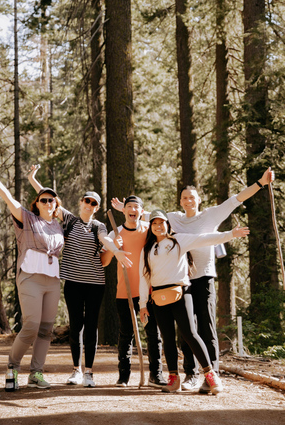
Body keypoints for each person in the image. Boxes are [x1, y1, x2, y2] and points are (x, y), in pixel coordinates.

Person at [111, 165, 275, 391]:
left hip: (203, 277)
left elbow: (235, 200)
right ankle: (190, 374)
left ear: (199, 200)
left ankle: (212, 374)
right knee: (184, 330)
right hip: (181, 282)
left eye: (191, 197)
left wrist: (260, 183)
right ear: (180, 202)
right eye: (184, 198)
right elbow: (149, 216)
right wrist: (125, 209)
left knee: (205, 327)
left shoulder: (211, 214)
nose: (188, 201)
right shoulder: (173, 220)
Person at [25, 165, 127, 388]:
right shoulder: (69, 220)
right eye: (86, 201)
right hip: (73, 282)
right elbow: (47, 198)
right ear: (80, 203)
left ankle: (89, 372)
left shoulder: (98, 226)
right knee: (76, 325)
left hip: (95, 284)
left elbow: (105, 241)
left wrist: (117, 251)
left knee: (91, 326)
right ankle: (76, 370)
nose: (89, 205)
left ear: (97, 208)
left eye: (94, 203)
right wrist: (32, 179)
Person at [138, 209, 249, 394]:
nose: (158, 226)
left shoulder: (179, 240)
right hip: (158, 297)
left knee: (190, 333)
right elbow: (144, 277)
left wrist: (231, 234)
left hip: (181, 292)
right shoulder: (147, 249)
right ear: (150, 227)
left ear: (168, 224)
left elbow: (206, 239)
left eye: (162, 222)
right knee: (167, 338)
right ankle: (173, 378)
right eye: (154, 223)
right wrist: (143, 304)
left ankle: (210, 375)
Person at [0, 162, 64, 392]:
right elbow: (7, 197)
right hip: (30, 279)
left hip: (53, 282)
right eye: (43, 199)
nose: (48, 203)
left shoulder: (58, 225)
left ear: (56, 205)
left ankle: (36, 373)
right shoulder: (26, 218)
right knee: (31, 326)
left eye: (51, 200)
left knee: (46, 329)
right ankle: (12, 369)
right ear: (36, 203)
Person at [107, 196, 166, 388]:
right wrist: (114, 246)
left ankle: (155, 375)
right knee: (126, 334)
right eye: (129, 207)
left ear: (142, 211)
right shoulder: (116, 232)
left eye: (136, 207)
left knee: (153, 333)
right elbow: (105, 259)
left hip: (149, 291)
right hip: (125, 291)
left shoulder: (149, 230)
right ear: (123, 211)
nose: (133, 209)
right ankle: (123, 376)